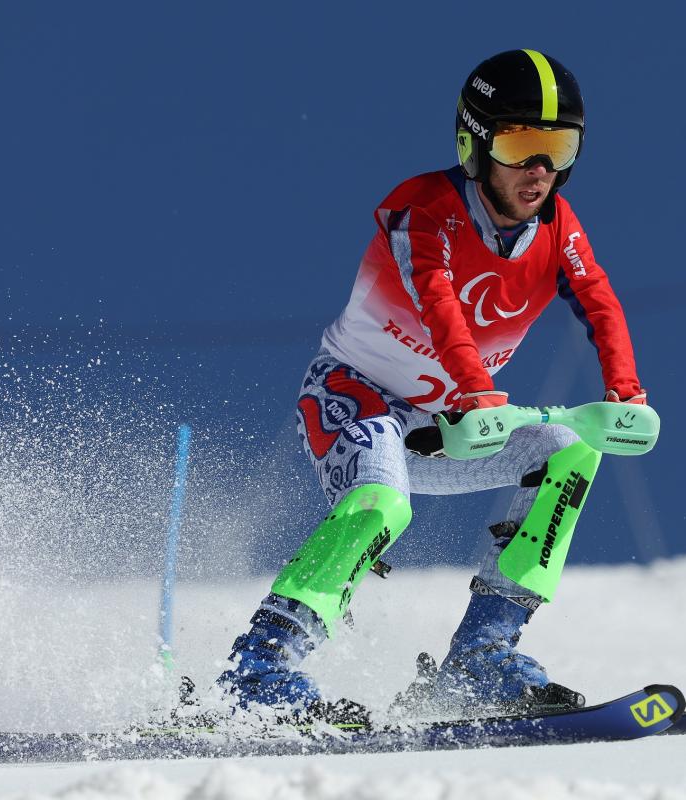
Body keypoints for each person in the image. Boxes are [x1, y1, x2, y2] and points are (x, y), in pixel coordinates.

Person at [217, 48, 647, 724]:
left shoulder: (557, 229)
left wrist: (626, 391)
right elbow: (437, 297)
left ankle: (482, 658)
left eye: (558, 148)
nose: (541, 170)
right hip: (354, 396)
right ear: (473, 143)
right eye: (520, 144)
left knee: (567, 449)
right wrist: (477, 389)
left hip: (443, 428)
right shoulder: (426, 208)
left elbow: (598, 300)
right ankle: (260, 669)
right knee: (381, 503)